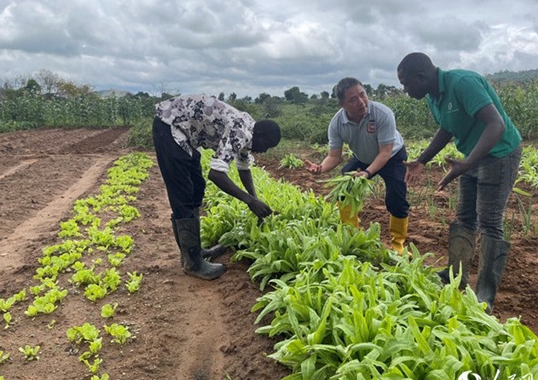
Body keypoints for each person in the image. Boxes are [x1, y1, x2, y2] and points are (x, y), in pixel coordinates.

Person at [397, 52, 522, 313]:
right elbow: (447, 128)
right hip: (471, 157)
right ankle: (456, 276)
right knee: (465, 217)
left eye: (406, 83)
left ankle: (485, 297)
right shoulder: (434, 97)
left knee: (489, 222)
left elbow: (496, 124)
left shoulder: (462, 83)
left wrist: (468, 164)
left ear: (421, 76)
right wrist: (422, 160)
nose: (405, 90)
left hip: (500, 154)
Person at [152, 94, 281, 280]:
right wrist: (249, 201)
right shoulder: (241, 131)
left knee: (197, 187)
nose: (265, 151)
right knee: (183, 193)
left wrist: (255, 201)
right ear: (259, 135)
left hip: (184, 135)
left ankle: (194, 251)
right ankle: (192, 263)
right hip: (170, 126)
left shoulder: (249, 131)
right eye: (266, 145)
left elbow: (244, 168)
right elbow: (216, 175)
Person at [305, 77, 410, 255]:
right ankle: (352, 235)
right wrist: (320, 168)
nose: (361, 102)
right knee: (345, 189)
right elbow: (334, 156)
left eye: (363, 95)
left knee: (396, 196)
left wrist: (367, 173)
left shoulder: (383, 114)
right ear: (342, 104)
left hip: (392, 156)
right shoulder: (337, 124)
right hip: (362, 157)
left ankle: (397, 246)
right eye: (353, 99)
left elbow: (384, 153)